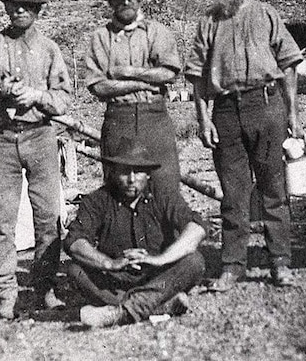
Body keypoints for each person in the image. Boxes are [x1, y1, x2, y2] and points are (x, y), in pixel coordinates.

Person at [184, 0, 303, 291]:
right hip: (225, 112)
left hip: (266, 106)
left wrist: (293, 112)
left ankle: (280, 262)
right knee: (233, 194)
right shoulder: (208, 22)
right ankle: (232, 265)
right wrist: (203, 119)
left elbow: (289, 63)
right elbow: (197, 76)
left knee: (273, 188)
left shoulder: (265, 14)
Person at [0, 0, 72, 319]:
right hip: (1, 140)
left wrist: (37, 96)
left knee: (48, 219)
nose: (20, 12)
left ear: (37, 9)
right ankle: (5, 295)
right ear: (7, 7)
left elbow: (63, 100)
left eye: (27, 6)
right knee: (2, 222)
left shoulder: (49, 50)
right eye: (14, 6)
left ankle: (44, 288)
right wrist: (1, 92)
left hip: (40, 137)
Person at [65, 137, 206, 328]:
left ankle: (121, 312)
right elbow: (75, 241)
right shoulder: (97, 200)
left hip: (158, 276)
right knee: (76, 270)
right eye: (124, 171)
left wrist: (159, 259)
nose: (131, 179)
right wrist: (111, 263)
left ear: (148, 174)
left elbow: (196, 227)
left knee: (194, 261)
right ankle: (159, 306)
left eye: (138, 171)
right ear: (113, 172)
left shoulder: (163, 196)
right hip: (116, 279)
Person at [85, 0, 183, 194]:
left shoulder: (156, 32)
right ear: (110, 2)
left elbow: (168, 72)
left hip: (154, 118)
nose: (125, 3)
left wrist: (128, 72)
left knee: (165, 187)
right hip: (119, 119)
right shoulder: (101, 38)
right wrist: (143, 82)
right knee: (119, 190)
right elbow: (99, 86)